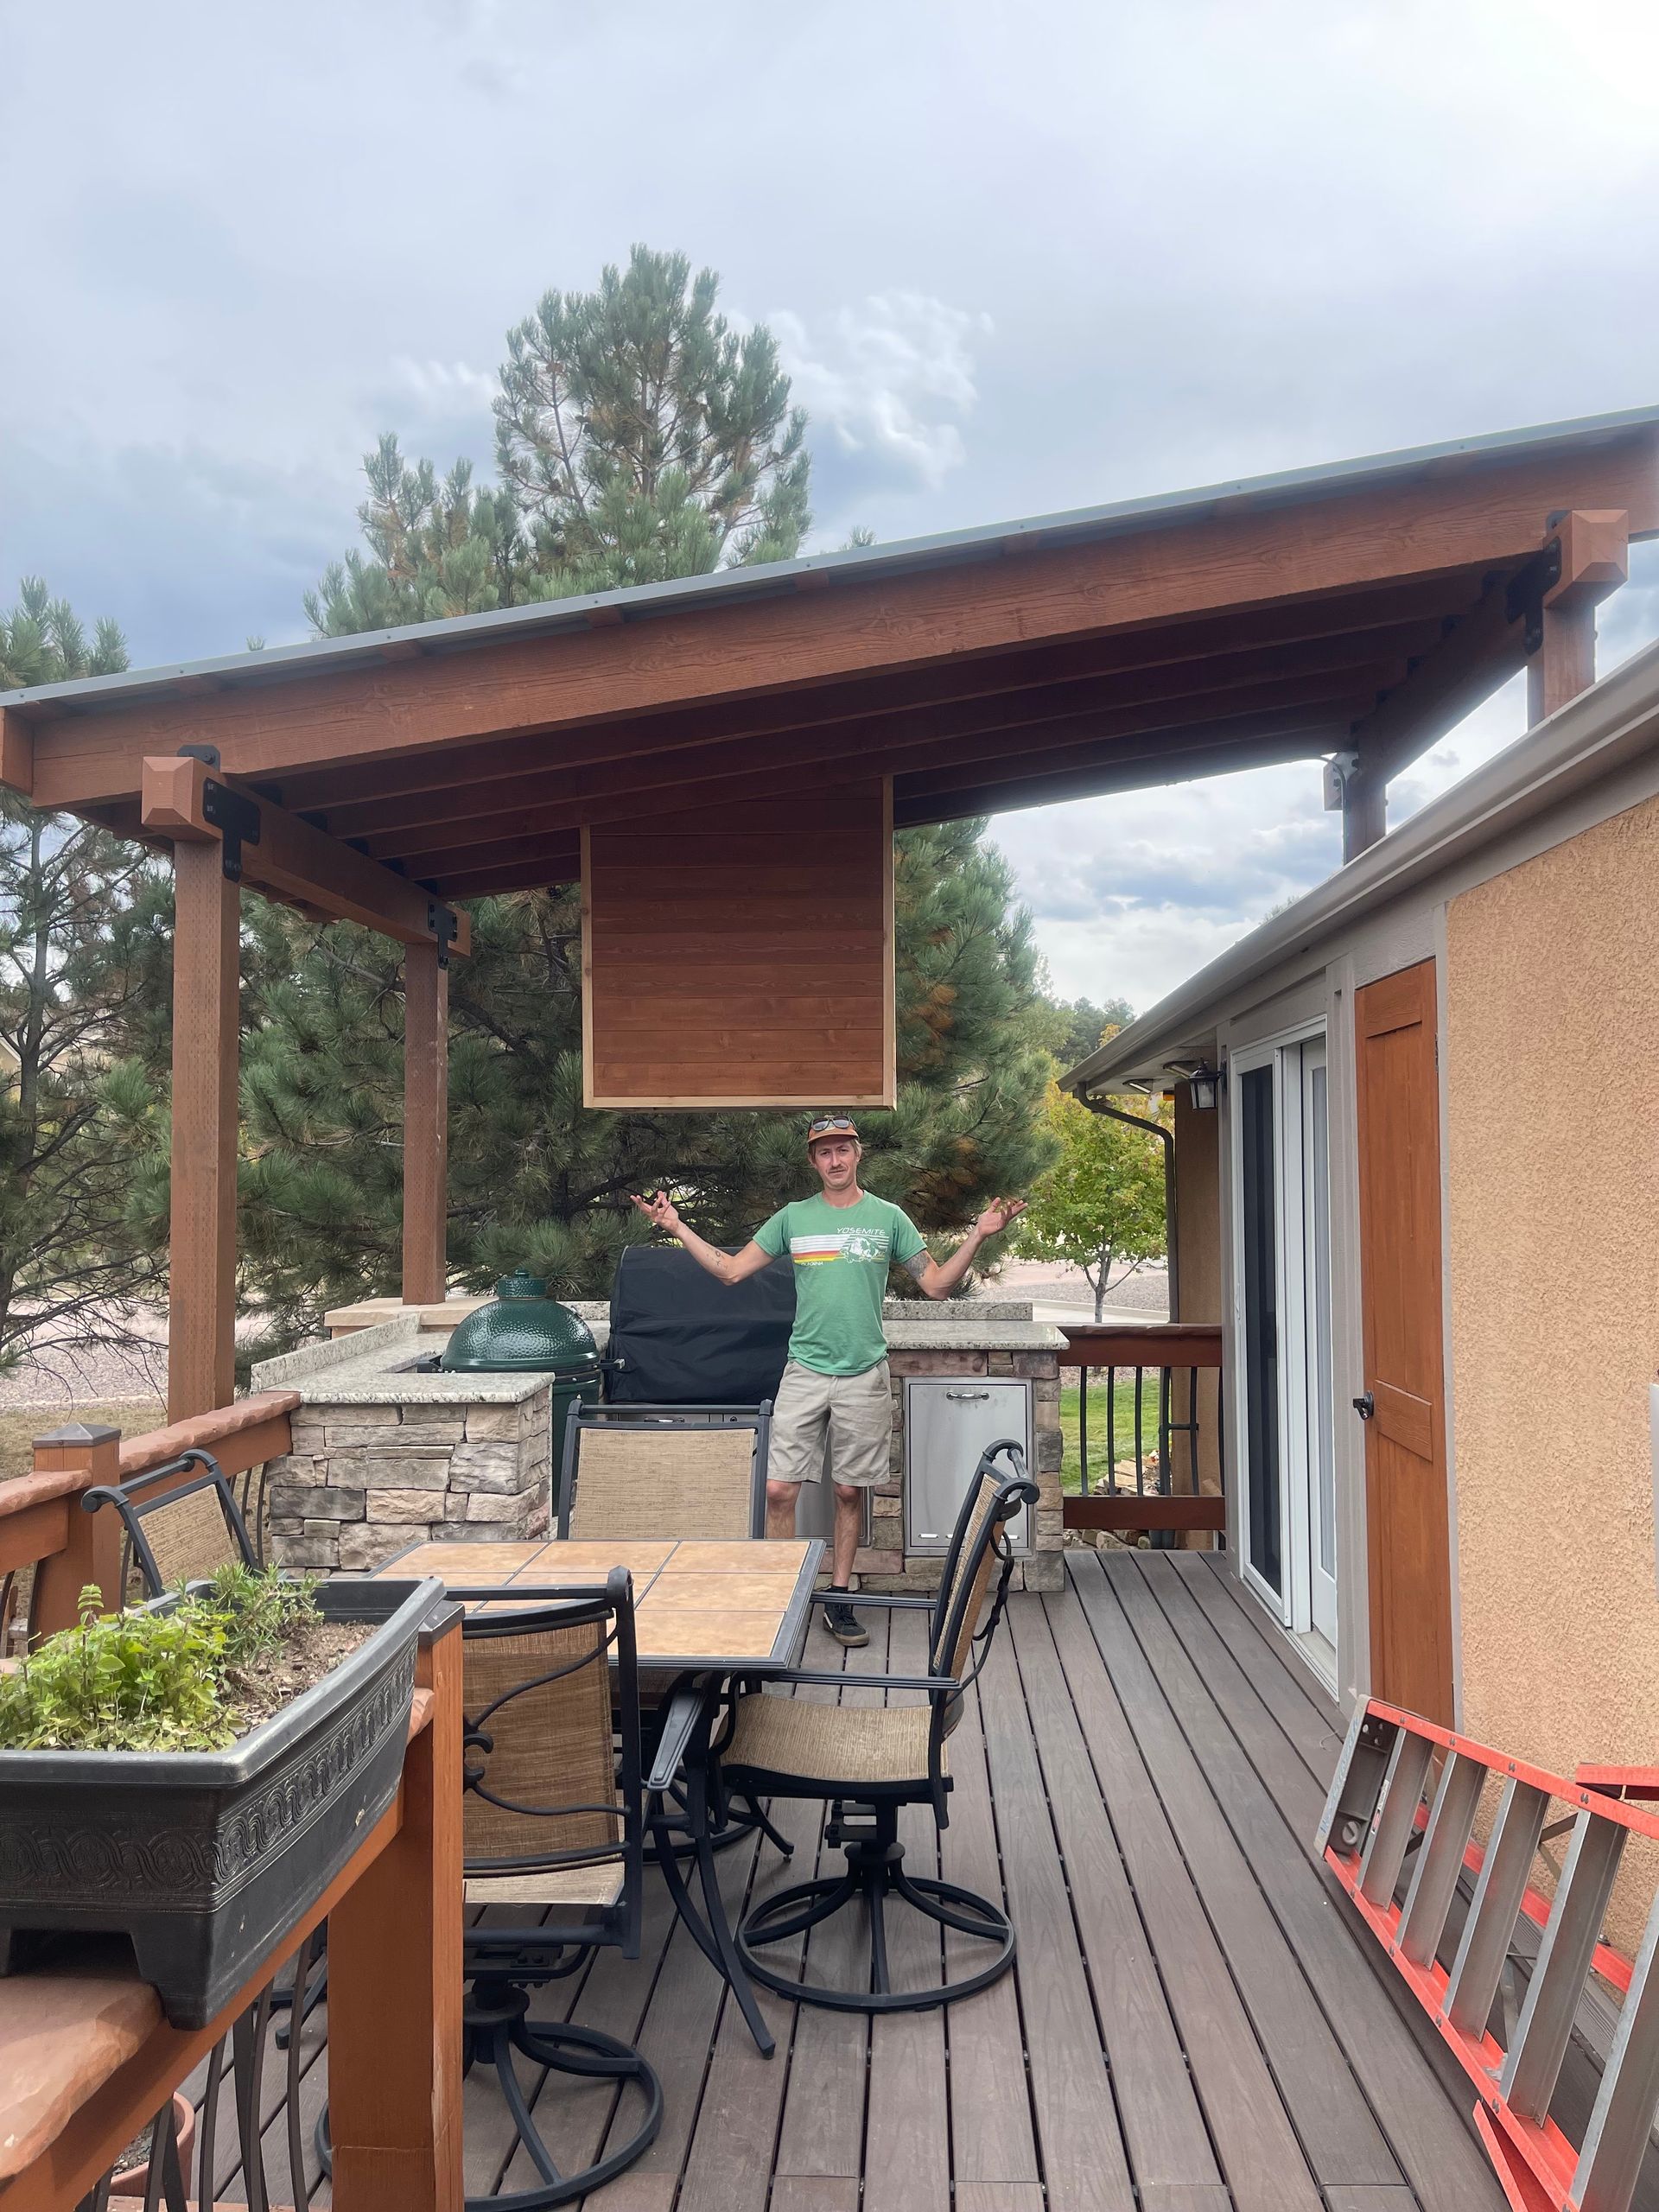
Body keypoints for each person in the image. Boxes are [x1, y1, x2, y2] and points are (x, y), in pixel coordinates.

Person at [632, 1115, 1026, 1646]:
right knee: (777, 1489)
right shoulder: (794, 1218)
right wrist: (676, 1227)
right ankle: (779, 1593)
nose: (835, 1160)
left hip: (864, 1374)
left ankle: (838, 1596)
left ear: (857, 1154)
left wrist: (977, 1235)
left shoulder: (888, 1218)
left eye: (843, 1149)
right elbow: (729, 1271)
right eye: (824, 1152)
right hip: (804, 1372)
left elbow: (935, 1284)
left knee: (847, 1491)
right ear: (813, 1161)